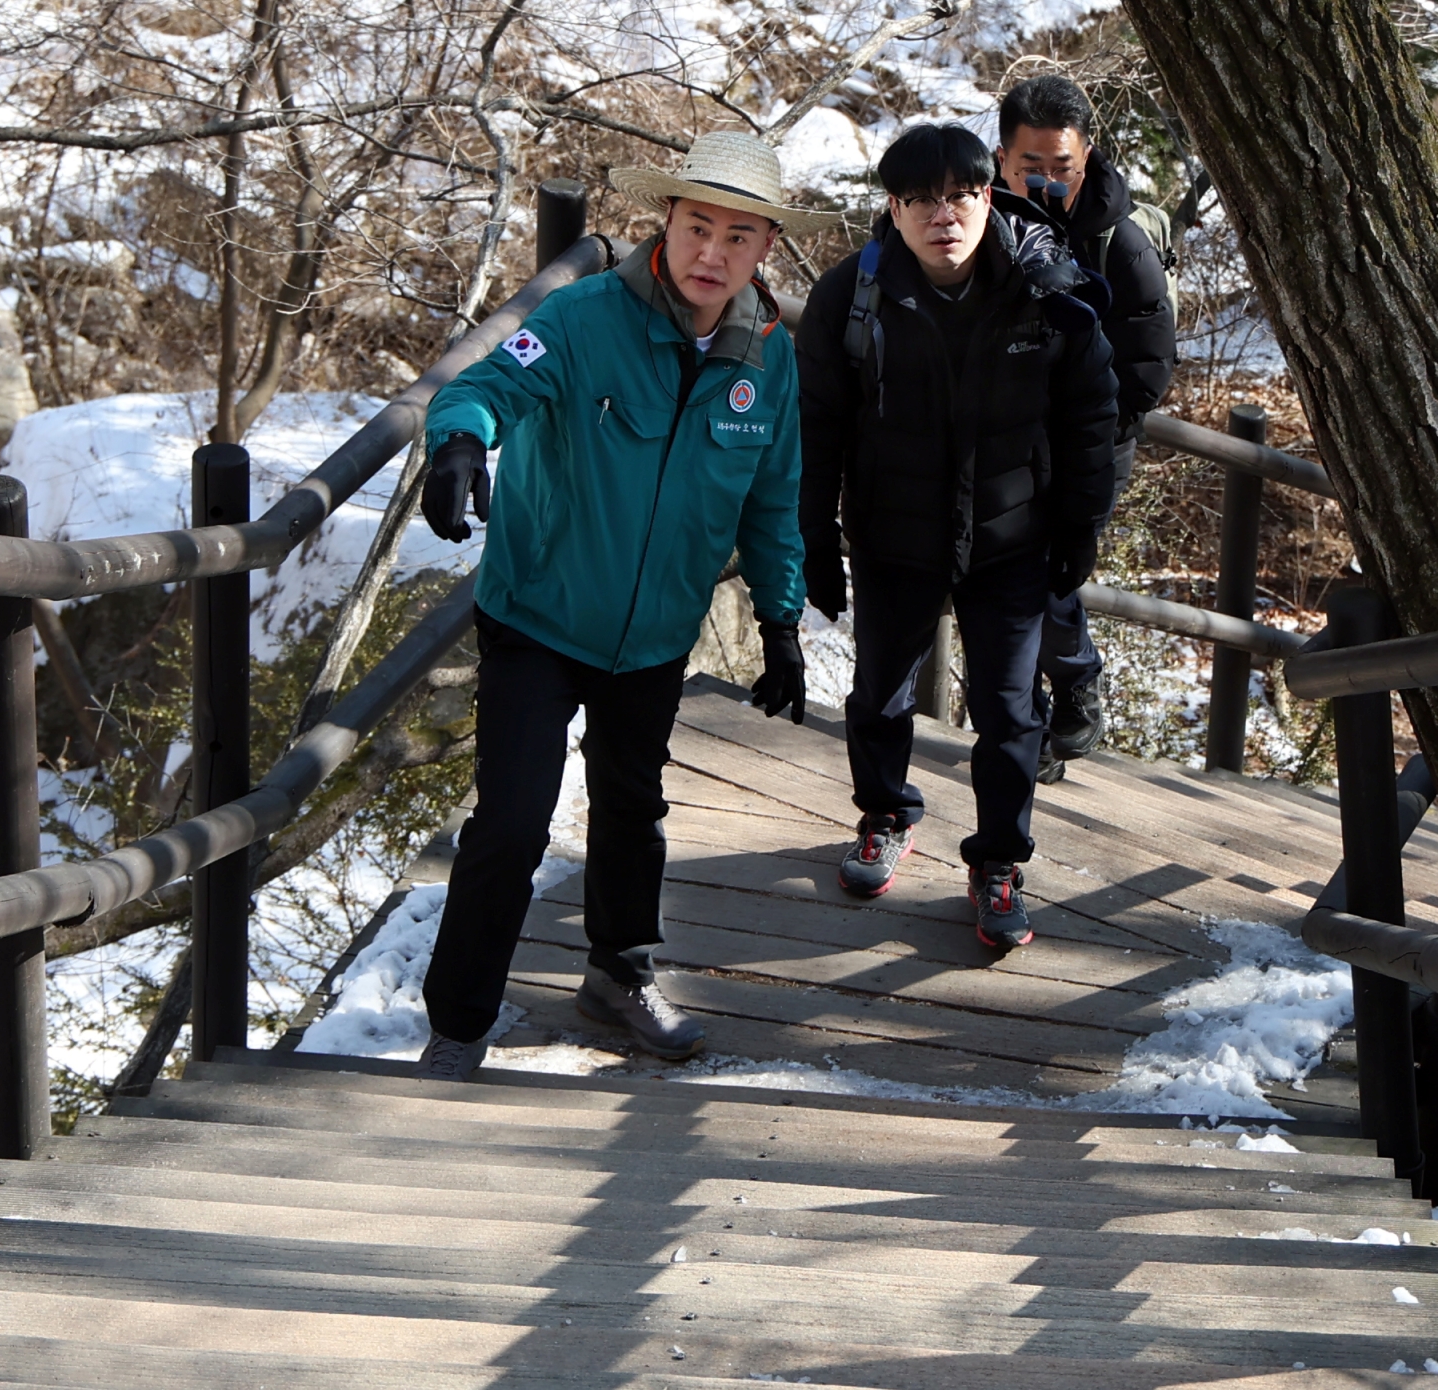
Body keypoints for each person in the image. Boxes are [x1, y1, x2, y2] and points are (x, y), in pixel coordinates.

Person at [411, 132, 838, 1081]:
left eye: (737, 236)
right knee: (515, 823)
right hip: (538, 614)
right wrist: (459, 445)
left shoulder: (767, 361)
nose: (710, 254)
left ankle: (618, 974)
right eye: (696, 227)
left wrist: (780, 620)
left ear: (765, 247)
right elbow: (485, 385)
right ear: (668, 224)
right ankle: (460, 1022)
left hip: (653, 635)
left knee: (631, 810)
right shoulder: (582, 319)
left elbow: (774, 499)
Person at [795, 123, 1118, 952]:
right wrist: (815, 536)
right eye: (923, 199)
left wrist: (1081, 527)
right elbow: (817, 424)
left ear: (987, 196)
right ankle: (884, 815)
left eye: (962, 194)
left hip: (1013, 539)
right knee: (879, 694)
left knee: (1011, 713)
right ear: (893, 209)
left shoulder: (1047, 287)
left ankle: (1000, 862)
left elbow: (1091, 414)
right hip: (892, 533)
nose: (946, 214)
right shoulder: (851, 297)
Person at [996, 75, 1178, 777]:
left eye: (1061, 168)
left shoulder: (1119, 242)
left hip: (1089, 446)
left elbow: (1148, 366)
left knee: (1044, 576)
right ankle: (1031, 721)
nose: (1046, 181)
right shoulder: (977, 221)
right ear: (1002, 159)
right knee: (1000, 578)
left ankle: (1068, 686)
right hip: (1003, 439)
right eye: (1029, 167)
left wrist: (1088, 426)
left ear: (1087, 156)